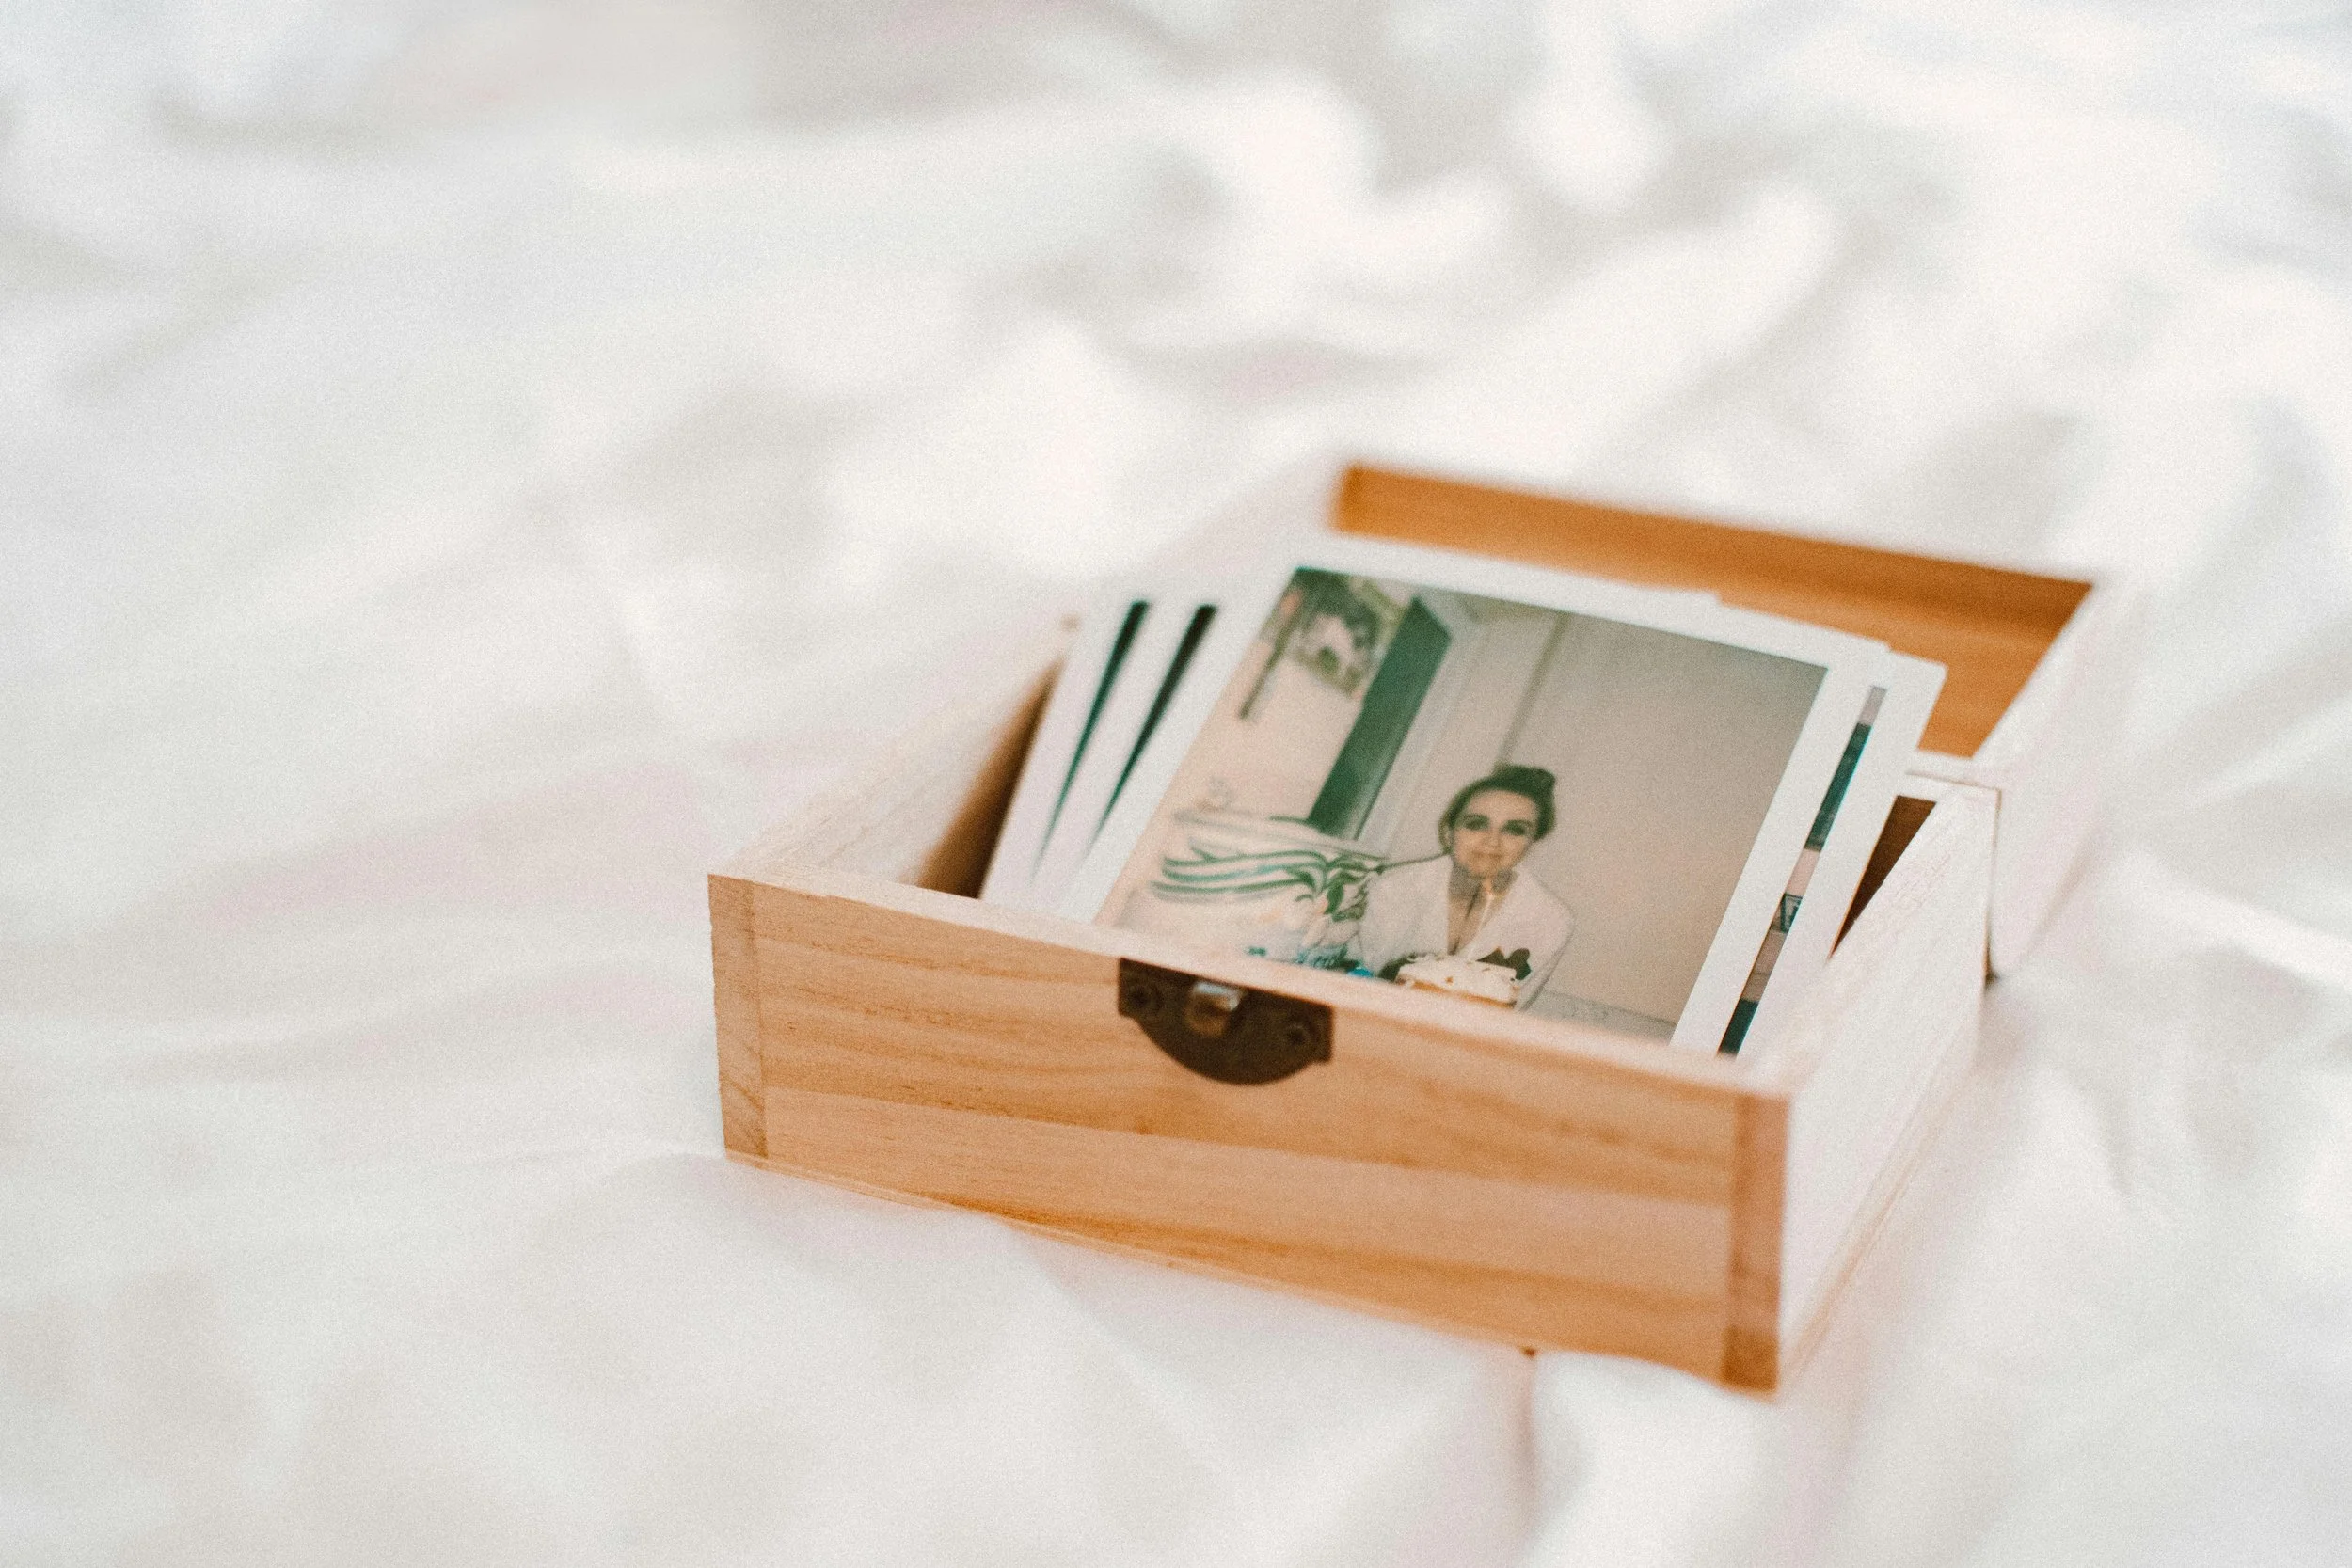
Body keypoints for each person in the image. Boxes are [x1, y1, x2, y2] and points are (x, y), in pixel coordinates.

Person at [1352, 765, 1574, 1008]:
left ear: (1532, 842)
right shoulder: (1390, 890)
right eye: (1476, 824)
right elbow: (1351, 977)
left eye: (1515, 830)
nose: (1492, 841)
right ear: (1448, 832)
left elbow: (1511, 1011)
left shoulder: (1551, 921)